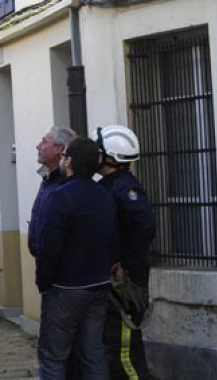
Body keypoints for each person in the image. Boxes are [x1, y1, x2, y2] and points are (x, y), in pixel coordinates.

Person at [36, 136, 117, 380]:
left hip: (65, 287)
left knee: (54, 356)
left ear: (69, 161)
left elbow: (48, 245)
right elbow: (112, 238)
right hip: (98, 285)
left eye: (64, 156)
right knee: (93, 354)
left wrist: (44, 282)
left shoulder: (60, 197)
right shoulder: (104, 195)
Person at [92, 125, 156, 380]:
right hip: (116, 279)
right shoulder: (111, 185)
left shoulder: (124, 188)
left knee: (125, 351)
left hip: (125, 283)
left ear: (111, 156)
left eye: (99, 150)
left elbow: (145, 225)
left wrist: (125, 263)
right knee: (114, 346)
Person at [28, 126, 76, 258]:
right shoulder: (48, 179)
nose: (38, 146)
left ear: (59, 149)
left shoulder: (66, 184)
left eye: (44, 142)